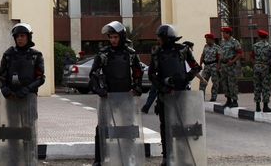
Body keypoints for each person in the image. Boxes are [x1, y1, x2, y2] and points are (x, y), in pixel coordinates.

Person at [89, 21, 143, 166]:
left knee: (127, 127)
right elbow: (93, 73)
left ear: (121, 37)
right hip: (108, 97)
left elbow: (138, 71)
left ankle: (129, 156)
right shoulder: (104, 54)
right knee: (102, 127)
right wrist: (99, 89)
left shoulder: (130, 53)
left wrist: (137, 87)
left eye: (115, 37)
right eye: (110, 37)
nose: (113, 40)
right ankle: (99, 159)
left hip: (126, 96)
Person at [148, 24, 201, 166]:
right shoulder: (157, 53)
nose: (158, 40)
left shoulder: (183, 50)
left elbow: (196, 67)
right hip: (164, 95)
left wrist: (185, 79)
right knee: (165, 126)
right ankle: (167, 157)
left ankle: (183, 155)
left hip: (181, 94)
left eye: (160, 37)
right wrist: (163, 87)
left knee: (182, 125)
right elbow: (151, 74)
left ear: (167, 38)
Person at [0, 23, 45, 98]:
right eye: (17, 36)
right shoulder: (8, 54)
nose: (19, 38)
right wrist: (4, 89)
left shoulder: (36, 55)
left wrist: (27, 89)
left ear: (28, 37)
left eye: (22, 36)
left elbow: (40, 78)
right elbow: (1, 77)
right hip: (11, 97)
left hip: (29, 96)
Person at [251, 30, 271, 112]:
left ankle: (257, 106)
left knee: (257, 86)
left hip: (256, 67)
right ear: (267, 37)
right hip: (265, 67)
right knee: (266, 87)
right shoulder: (270, 46)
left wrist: (255, 65)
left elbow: (252, 57)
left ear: (259, 37)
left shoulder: (255, 46)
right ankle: (265, 106)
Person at [219, 27, 243, 108]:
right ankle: (228, 100)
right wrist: (219, 64)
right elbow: (220, 54)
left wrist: (233, 61)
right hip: (223, 65)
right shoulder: (222, 42)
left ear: (228, 33)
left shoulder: (234, 42)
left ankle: (235, 100)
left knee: (232, 83)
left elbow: (240, 53)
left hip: (231, 65)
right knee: (225, 83)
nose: (223, 34)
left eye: (224, 33)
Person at [199, 33, 221, 101]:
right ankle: (201, 97)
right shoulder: (205, 46)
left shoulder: (217, 47)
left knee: (215, 82)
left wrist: (218, 66)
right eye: (206, 39)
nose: (206, 41)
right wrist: (200, 64)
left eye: (207, 39)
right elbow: (203, 55)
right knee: (203, 81)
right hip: (206, 66)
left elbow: (219, 58)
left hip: (214, 66)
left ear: (212, 40)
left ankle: (213, 97)